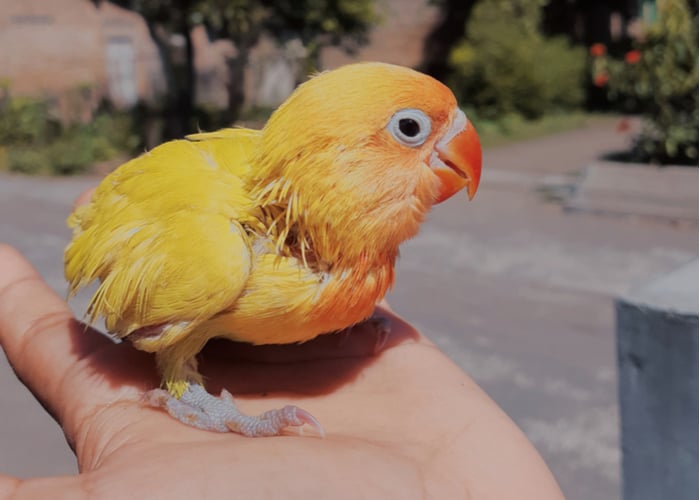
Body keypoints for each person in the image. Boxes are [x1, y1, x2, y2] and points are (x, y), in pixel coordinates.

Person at [0, 238, 564, 498]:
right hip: (195, 252)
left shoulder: (357, 248)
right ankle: (185, 390)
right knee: (211, 274)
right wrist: (211, 408)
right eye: (411, 132)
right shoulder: (218, 259)